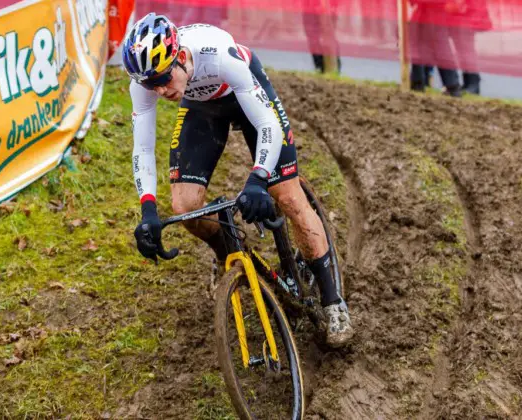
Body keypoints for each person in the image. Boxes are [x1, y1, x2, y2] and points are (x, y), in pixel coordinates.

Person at [123, 13, 354, 347]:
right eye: (150, 84)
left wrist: (259, 179)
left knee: (286, 195)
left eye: (162, 78)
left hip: (246, 94)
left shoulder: (217, 54)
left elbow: (267, 125)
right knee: (185, 205)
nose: (159, 90)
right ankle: (228, 251)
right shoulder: (143, 80)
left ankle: (334, 303)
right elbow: (142, 147)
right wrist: (147, 211)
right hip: (202, 108)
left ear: (182, 57)